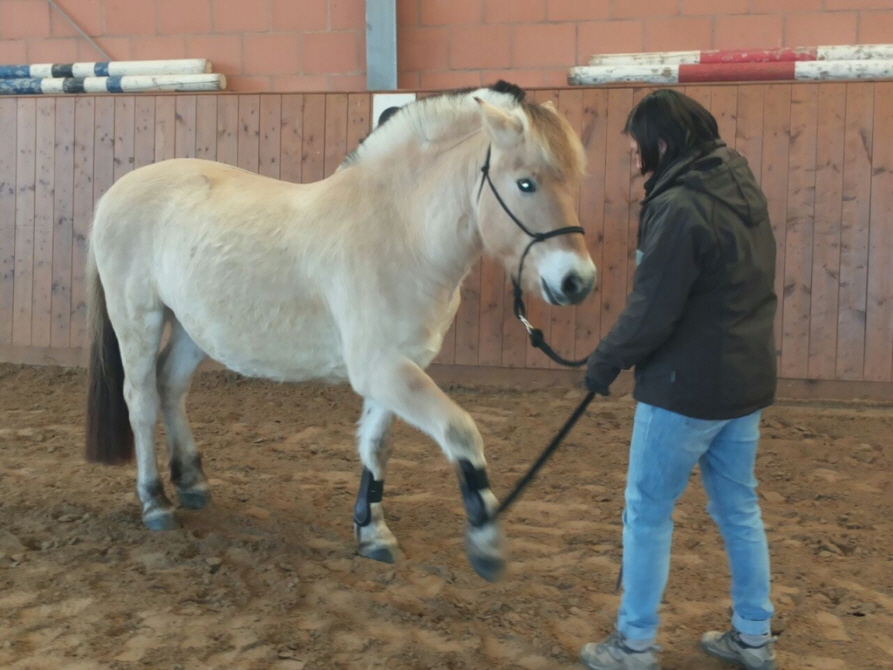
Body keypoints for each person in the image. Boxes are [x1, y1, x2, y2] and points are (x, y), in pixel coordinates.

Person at [579, 89, 778, 670]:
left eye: (637, 146)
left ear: (661, 143)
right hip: (743, 384)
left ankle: (634, 644)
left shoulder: (680, 206)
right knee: (739, 509)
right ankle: (753, 637)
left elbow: (652, 308)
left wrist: (605, 360)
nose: (633, 157)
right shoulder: (739, 185)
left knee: (645, 512)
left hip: (684, 389)